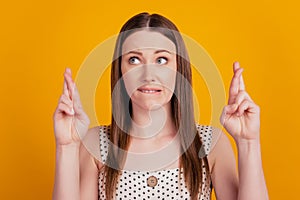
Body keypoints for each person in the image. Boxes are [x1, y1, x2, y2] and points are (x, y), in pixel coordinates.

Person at [52, 12, 269, 200]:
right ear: (120, 71)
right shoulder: (96, 143)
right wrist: (66, 147)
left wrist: (248, 142)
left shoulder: (210, 143)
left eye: (161, 60)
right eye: (134, 60)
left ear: (179, 69)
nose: (148, 75)